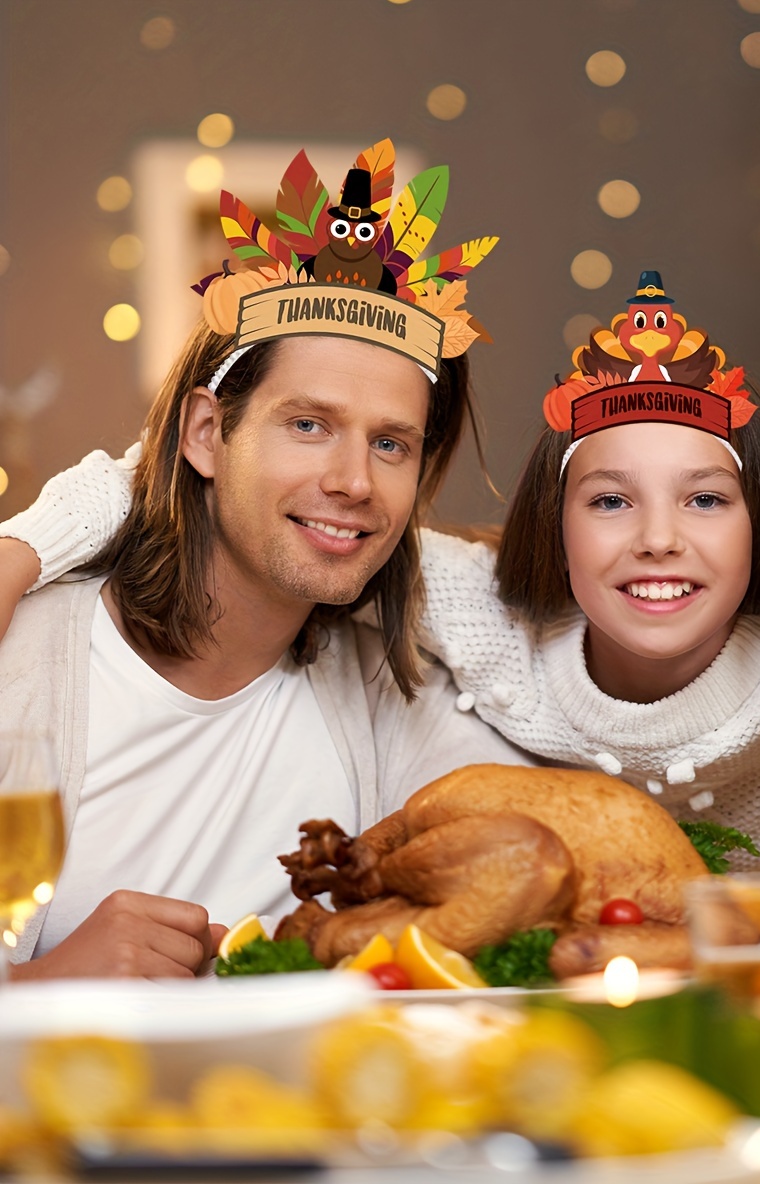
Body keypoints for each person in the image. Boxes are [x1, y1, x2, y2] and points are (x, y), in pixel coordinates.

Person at [8, 260, 760, 876]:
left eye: (392, 445)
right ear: (552, 525)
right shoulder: (460, 610)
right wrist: (21, 547)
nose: (660, 540)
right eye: (609, 500)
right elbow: (174, 477)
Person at [1, 139, 529, 981]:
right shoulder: (23, 662)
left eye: (390, 443)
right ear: (207, 434)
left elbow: (548, 845)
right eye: (308, 425)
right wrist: (38, 989)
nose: (354, 482)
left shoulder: (391, 693)